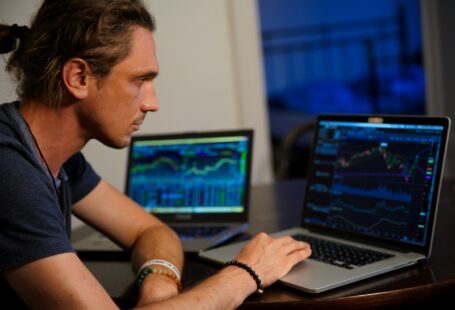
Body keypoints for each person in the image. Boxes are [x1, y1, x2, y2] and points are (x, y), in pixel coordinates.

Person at [0, 0, 312, 308]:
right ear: (79, 77)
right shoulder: (9, 169)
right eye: (140, 80)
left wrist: (158, 281)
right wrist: (246, 274)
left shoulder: (58, 157)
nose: (152, 103)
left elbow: (150, 230)